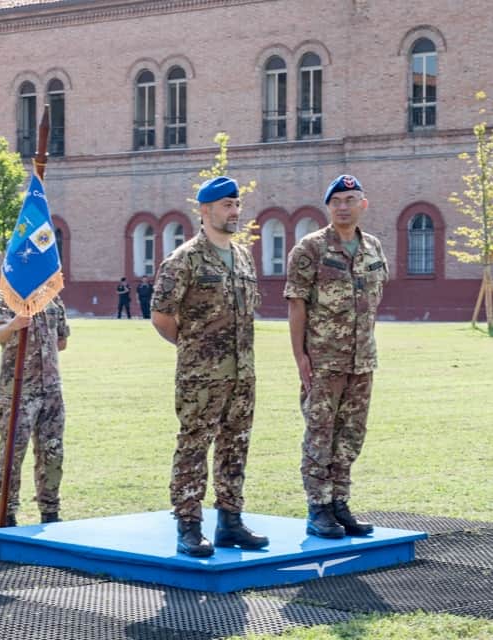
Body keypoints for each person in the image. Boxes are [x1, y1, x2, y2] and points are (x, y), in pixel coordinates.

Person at [150, 176, 268, 557]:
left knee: (236, 445)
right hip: (201, 376)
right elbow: (162, 316)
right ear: (204, 211)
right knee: (194, 446)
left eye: (236, 204)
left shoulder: (244, 256)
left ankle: (230, 521)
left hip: (242, 373)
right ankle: (189, 525)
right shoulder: (184, 259)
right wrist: (194, 350)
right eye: (226, 205)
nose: (234, 212)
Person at [283, 175, 388, 539]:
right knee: (320, 435)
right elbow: (296, 304)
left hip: (362, 361)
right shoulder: (310, 248)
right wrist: (300, 357)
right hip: (324, 361)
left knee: (351, 435)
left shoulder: (373, 247)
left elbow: (372, 302)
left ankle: (340, 504)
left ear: (363, 204)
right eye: (337, 201)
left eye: (350, 199)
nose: (343, 206)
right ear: (327, 207)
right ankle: (319, 508)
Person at [0, 291, 69, 527]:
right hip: (17, 391)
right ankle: (7, 513)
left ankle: (50, 511)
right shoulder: (3, 298)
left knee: (52, 452)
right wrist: (14, 325)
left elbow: (62, 340)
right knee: (12, 453)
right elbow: (0, 334)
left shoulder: (53, 298)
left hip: (51, 390)